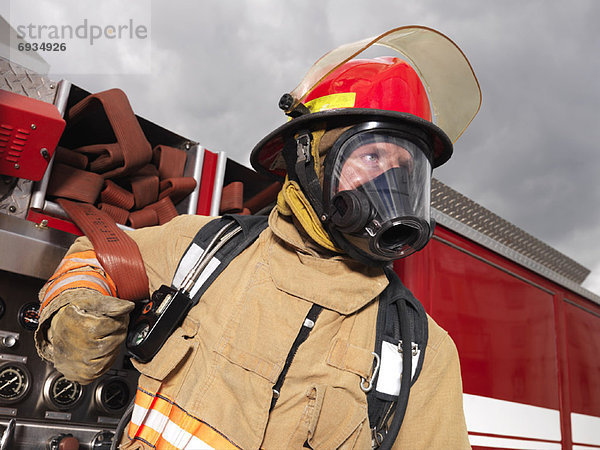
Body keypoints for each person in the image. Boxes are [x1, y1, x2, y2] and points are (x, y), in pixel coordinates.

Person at [34, 26, 481, 449]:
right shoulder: (202, 249)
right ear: (310, 159)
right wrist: (77, 305)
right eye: (371, 154)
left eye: (404, 169)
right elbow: (96, 256)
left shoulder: (419, 352)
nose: (389, 182)